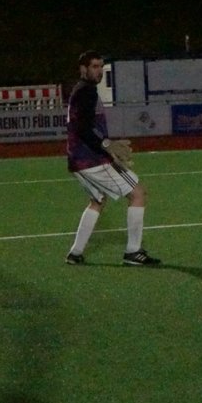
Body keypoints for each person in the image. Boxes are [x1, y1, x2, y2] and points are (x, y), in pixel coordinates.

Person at [65, 50, 160, 266]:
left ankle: (75, 253)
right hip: (92, 160)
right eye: (94, 66)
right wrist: (107, 146)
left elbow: (82, 127)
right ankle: (133, 252)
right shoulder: (87, 91)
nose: (99, 71)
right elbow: (83, 128)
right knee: (138, 193)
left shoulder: (81, 90)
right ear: (83, 69)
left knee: (97, 201)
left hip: (78, 160)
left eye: (101, 66)